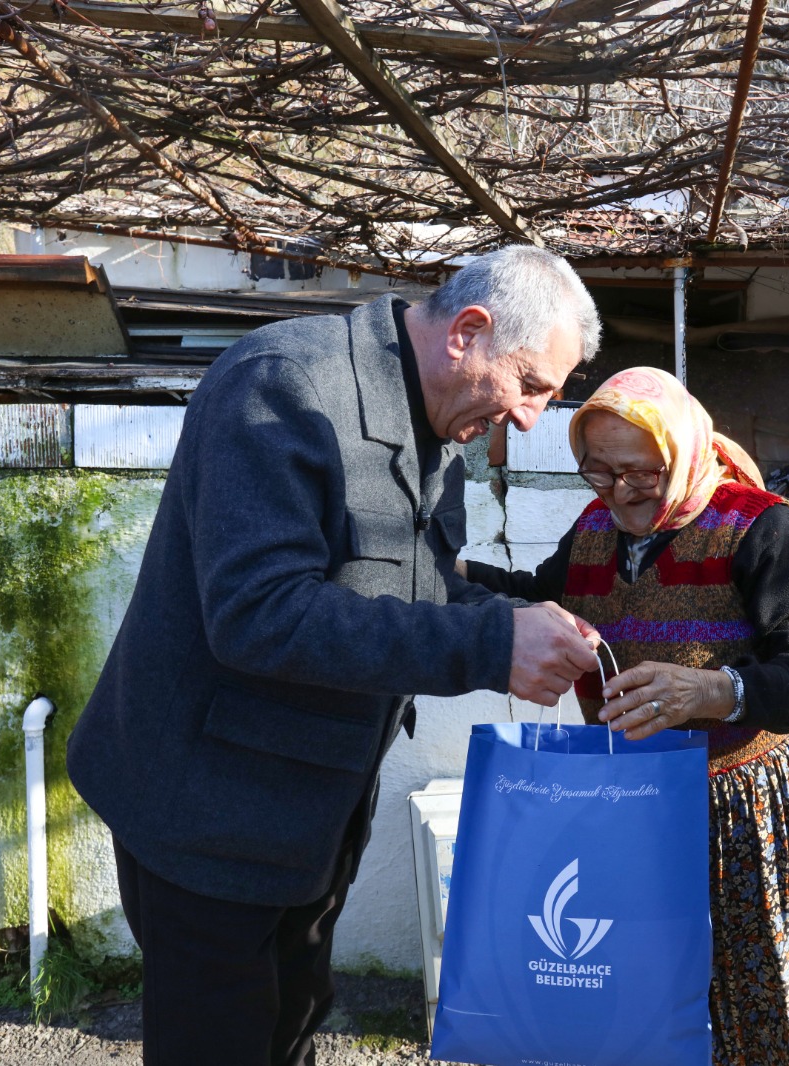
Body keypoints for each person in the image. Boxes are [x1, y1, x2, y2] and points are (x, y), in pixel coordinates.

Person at [66, 245, 604, 1065]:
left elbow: (417, 593)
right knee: (222, 1042)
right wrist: (493, 645)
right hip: (208, 813)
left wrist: (522, 617)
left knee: (289, 1026)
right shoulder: (283, 384)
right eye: (531, 385)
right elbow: (259, 614)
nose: (532, 417)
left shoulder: (438, 426)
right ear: (469, 332)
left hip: (308, 819)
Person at [463, 366, 789, 1065]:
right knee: (646, 994)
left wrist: (711, 692)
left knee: (757, 996)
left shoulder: (759, 527)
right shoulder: (595, 528)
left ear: (683, 451)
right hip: (633, 803)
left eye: (641, 473)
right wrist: (444, 576)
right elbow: (541, 599)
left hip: (745, 812)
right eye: (598, 472)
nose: (621, 493)